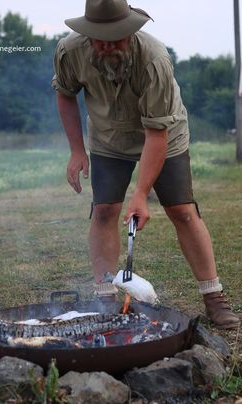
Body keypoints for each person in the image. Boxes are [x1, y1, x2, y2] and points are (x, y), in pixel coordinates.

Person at [52, 0, 240, 329]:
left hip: (164, 134)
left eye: (117, 37)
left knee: (182, 210)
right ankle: (105, 297)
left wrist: (141, 193)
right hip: (108, 139)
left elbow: (156, 133)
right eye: (101, 38)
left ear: (131, 29)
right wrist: (76, 150)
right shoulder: (70, 51)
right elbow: (65, 94)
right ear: (88, 33)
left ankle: (214, 296)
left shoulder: (154, 59)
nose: (109, 45)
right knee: (105, 211)